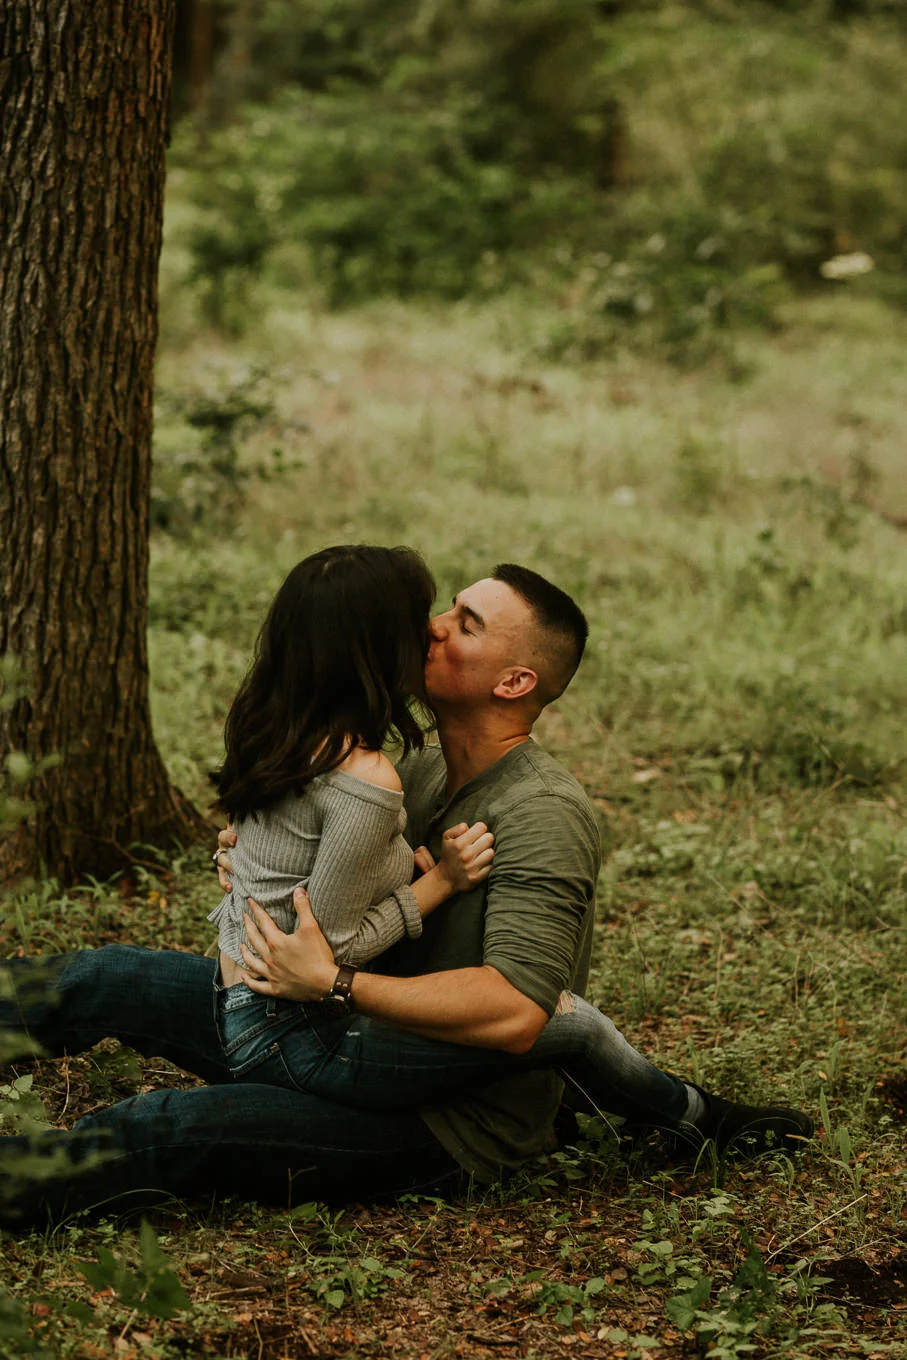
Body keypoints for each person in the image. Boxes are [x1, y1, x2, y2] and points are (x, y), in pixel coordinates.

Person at [0, 561, 812, 1229]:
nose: (431, 625)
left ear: (514, 679)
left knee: (157, 1128)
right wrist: (255, 867)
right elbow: (320, 862)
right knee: (93, 978)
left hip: (437, 1118)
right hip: (303, 1025)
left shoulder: (540, 813)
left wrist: (335, 981)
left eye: (464, 624)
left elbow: (517, 1010)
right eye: (447, 608)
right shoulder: (407, 771)